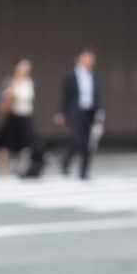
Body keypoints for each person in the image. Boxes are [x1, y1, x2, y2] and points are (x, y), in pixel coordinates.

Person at [55, 49, 102, 179]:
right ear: (80, 59)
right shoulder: (70, 75)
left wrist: (99, 113)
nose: (91, 61)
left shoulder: (93, 75)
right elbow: (65, 96)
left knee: (86, 142)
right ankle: (73, 165)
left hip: (89, 112)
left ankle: (80, 169)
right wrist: (61, 112)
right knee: (79, 140)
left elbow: (96, 95)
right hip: (75, 112)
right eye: (88, 58)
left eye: (92, 58)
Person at [0, 58, 35, 176]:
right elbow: (0, 97)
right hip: (13, 114)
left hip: (26, 115)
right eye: (23, 66)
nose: (25, 69)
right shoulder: (10, 81)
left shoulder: (29, 81)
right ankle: (3, 167)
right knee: (5, 142)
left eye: (27, 66)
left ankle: (22, 166)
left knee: (27, 143)